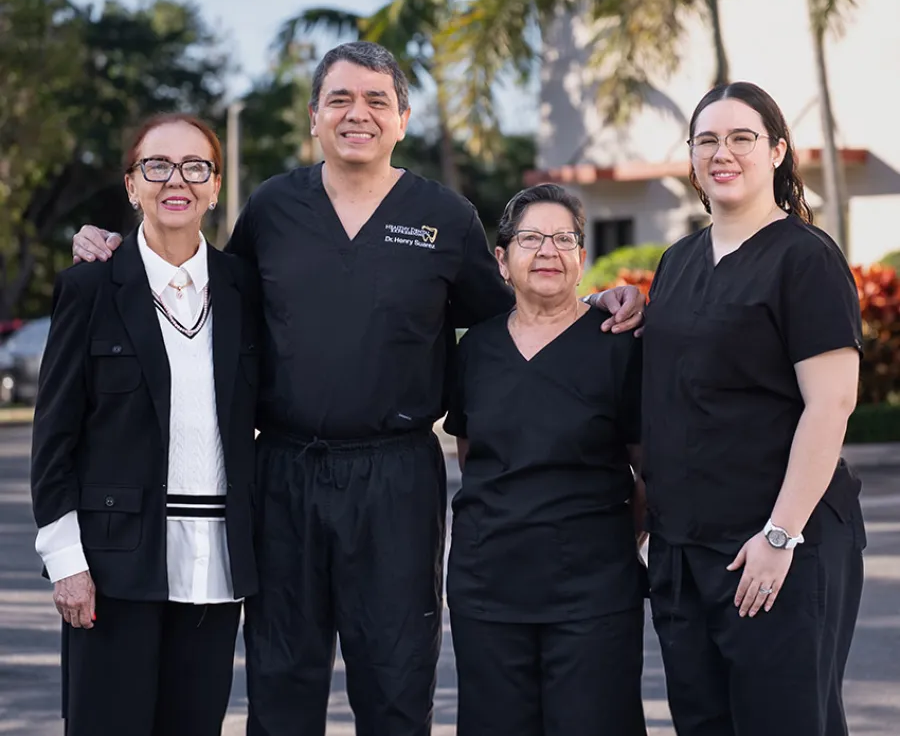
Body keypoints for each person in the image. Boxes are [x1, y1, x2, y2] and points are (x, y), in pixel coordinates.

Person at [71, 41, 645, 736]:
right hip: (283, 472)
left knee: (396, 684)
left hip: (396, 479)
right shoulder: (275, 207)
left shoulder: (445, 217)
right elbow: (205, 280)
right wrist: (110, 246)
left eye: (377, 100)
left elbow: (520, 310)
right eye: (339, 98)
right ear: (314, 117)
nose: (358, 113)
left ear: (403, 119)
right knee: (282, 685)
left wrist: (601, 303)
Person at [641, 81, 865, 736]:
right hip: (684, 553)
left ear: (776, 151)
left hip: (777, 548)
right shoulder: (676, 261)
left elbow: (832, 403)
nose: (722, 152)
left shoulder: (806, 257)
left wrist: (780, 535)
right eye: (706, 140)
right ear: (691, 157)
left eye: (741, 137)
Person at [32, 114, 260, 736]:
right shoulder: (90, 285)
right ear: (132, 185)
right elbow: (53, 441)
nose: (176, 180)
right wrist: (66, 563)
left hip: (214, 570)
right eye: (156, 166)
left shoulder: (244, 289)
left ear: (215, 187)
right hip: (112, 568)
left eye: (196, 167)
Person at [444, 184, 647, 736]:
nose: (548, 252)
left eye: (564, 239)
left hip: (594, 589)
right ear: (502, 260)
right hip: (488, 588)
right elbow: (474, 458)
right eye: (531, 238)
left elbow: (646, 470)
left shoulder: (618, 344)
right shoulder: (476, 349)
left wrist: (603, 546)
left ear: (582, 259)